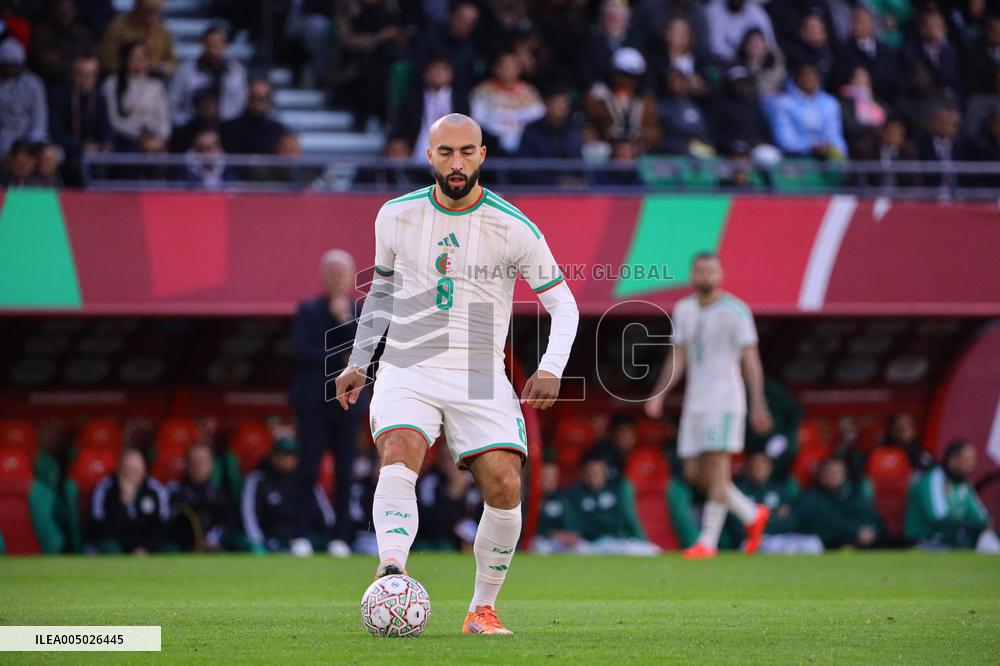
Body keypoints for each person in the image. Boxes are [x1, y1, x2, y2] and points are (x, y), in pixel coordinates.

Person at [335, 113, 579, 635]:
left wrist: (551, 367)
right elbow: (379, 293)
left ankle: (481, 609)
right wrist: (358, 361)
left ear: (482, 155)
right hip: (408, 361)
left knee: (505, 484)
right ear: (430, 156)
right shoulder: (394, 216)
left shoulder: (514, 226)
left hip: (478, 373)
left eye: (467, 152)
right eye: (446, 153)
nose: (456, 163)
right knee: (400, 451)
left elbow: (565, 305)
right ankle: (392, 571)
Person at [645, 253, 772, 559]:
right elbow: (679, 355)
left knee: (717, 470)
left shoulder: (736, 311)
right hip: (695, 402)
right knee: (692, 471)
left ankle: (708, 542)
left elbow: (750, 359)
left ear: (721, 274)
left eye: (711, 270)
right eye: (700, 271)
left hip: (725, 400)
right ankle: (751, 514)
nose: (706, 276)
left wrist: (758, 402)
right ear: (692, 275)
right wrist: (659, 393)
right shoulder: (685, 309)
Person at [290, 249, 365, 558]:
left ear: (350, 277)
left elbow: (364, 354)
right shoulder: (308, 310)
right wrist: (338, 359)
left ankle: (340, 538)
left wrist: (344, 321)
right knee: (308, 469)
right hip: (314, 405)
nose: (337, 279)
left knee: (346, 473)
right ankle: (301, 535)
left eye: (342, 273)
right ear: (323, 276)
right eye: (332, 273)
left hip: (348, 404)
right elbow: (303, 352)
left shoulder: (359, 312)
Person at [240, 437, 336, 555]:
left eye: (292, 456)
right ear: (273, 457)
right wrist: (258, 541)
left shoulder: (305, 481)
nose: (287, 460)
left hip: (303, 538)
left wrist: (333, 536)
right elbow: (249, 514)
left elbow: (325, 514)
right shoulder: (258, 480)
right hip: (272, 538)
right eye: (283, 455)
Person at [560, 453, 657, 555]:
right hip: (586, 543)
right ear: (585, 473)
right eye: (592, 471)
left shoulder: (614, 491)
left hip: (612, 541)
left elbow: (620, 519)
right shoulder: (575, 494)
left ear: (605, 473)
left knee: (652, 550)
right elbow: (575, 523)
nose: (595, 475)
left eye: (598, 471)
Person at [904, 440, 994, 550]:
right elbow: (939, 518)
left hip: (952, 540)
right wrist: (972, 525)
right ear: (953, 460)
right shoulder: (934, 478)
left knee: (987, 539)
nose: (972, 464)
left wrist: (982, 524)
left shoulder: (964, 485)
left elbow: (981, 517)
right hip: (925, 541)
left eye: (973, 459)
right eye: (967, 459)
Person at [89, 448, 170, 554]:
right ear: (118, 469)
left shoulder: (155, 490)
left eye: (136, 470)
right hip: (116, 542)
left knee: (168, 548)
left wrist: (146, 547)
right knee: (109, 547)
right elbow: (99, 527)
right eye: (127, 469)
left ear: (144, 471)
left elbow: (161, 526)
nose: (132, 474)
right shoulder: (105, 489)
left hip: (146, 544)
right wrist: (123, 504)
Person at [48, 54, 111, 185]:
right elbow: (56, 133)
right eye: (82, 74)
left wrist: (103, 146)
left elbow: (106, 130)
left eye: (91, 75)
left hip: (93, 150)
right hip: (67, 149)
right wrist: (82, 147)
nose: (86, 80)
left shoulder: (99, 98)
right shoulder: (59, 95)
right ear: (74, 74)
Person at [762, 63, 847, 160]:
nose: (810, 80)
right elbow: (785, 141)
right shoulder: (782, 104)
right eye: (805, 77)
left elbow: (834, 134)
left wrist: (834, 149)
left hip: (826, 156)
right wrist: (811, 146)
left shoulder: (830, 103)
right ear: (796, 79)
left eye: (813, 77)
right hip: (793, 157)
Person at [584, 47, 660, 152]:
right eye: (625, 76)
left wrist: (643, 135)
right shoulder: (598, 96)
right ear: (615, 73)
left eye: (634, 77)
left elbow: (654, 132)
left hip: (637, 155)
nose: (629, 81)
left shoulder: (645, 100)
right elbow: (590, 129)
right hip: (608, 157)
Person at [395, 56, 469, 163]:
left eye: (443, 69)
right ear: (425, 75)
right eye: (434, 69)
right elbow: (402, 126)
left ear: (450, 74)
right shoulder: (413, 99)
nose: (438, 73)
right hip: (419, 149)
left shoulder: (460, 100)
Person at [469, 51, 545, 156]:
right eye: (503, 66)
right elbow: (478, 119)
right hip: (491, 143)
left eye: (511, 66)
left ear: (519, 69)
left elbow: (537, 115)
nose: (507, 70)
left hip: (524, 144)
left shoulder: (529, 92)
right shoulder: (482, 91)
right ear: (495, 68)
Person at [169, 26, 247, 127]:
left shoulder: (236, 70)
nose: (214, 46)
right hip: (192, 125)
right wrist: (184, 122)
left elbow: (241, 102)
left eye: (218, 42)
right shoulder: (185, 69)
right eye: (210, 42)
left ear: (225, 45)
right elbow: (173, 101)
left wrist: (232, 124)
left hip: (227, 126)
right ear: (203, 43)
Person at [798, 456, 882, 549]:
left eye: (838, 472)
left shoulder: (855, 495)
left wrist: (871, 532)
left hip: (857, 546)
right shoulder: (810, 497)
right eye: (829, 472)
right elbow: (827, 523)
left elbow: (872, 519)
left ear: (845, 475)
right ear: (821, 474)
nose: (833, 475)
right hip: (823, 548)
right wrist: (855, 531)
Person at [102, 41, 171, 151]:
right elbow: (113, 120)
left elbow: (164, 121)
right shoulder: (112, 83)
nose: (139, 61)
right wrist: (140, 137)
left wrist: (160, 138)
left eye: (143, 57)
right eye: (133, 57)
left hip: (153, 140)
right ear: (125, 59)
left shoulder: (156, 86)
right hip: (125, 139)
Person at [168, 442, 236, 551]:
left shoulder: (219, 493)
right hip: (185, 548)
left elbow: (228, 522)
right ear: (188, 464)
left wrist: (213, 539)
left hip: (215, 546)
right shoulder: (176, 492)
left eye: (203, 461)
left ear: (211, 464)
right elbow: (172, 525)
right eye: (195, 461)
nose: (199, 466)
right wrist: (196, 541)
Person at [27, 0, 96, 88]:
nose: (65, 15)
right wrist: (74, 62)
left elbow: (91, 58)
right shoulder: (42, 33)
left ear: (74, 11)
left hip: (81, 81)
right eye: (62, 11)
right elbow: (47, 63)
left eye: (69, 11)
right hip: (53, 83)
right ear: (54, 12)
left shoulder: (83, 33)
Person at [98, 0, 175, 78]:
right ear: (137, 8)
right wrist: (130, 66)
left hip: (155, 83)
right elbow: (106, 59)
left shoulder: (162, 32)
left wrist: (164, 68)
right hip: (122, 82)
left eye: (156, 12)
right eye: (147, 11)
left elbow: (171, 61)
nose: (152, 17)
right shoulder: (118, 28)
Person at [0, 38, 48, 156]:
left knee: (48, 154)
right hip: (3, 136)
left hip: (29, 137)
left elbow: (39, 115)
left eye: (15, 65)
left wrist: (33, 139)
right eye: (8, 65)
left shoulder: (34, 83)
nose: (12, 69)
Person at [219, 78, 287, 155]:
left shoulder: (278, 131)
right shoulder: (228, 128)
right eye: (254, 97)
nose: (257, 103)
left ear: (269, 100)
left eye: (262, 98)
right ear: (247, 97)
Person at [705, 0, 777, 63]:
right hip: (724, 63)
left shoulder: (756, 12)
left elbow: (769, 43)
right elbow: (715, 46)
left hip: (756, 62)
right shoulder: (713, 11)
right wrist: (739, 58)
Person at [169, 88, 219, 153]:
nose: (208, 106)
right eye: (203, 103)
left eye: (211, 102)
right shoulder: (183, 133)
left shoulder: (228, 131)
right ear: (196, 107)